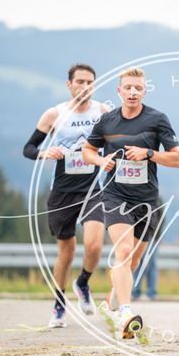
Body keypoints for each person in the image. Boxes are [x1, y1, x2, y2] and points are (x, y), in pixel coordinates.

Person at [82, 66, 179, 339]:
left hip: (147, 200)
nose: (132, 92)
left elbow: (177, 159)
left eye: (138, 88)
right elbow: (87, 150)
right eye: (127, 87)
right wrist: (100, 160)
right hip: (115, 195)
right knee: (124, 251)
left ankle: (112, 301)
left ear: (144, 91)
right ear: (119, 91)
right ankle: (126, 314)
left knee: (134, 261)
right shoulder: (107, 121)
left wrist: (149, 153)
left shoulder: (157, 119)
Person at [23, 64, 109, 328]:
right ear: (69, 85)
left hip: (93, 189)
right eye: (80, 81)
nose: (85, 87)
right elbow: (29, 147)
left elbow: (117, 140)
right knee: (67, 252)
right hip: (62, 192)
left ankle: (82, 283)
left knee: (94, 246)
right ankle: (59, 305)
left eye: (90, 82)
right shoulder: (55, 114)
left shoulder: (102, 112)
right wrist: (44, 153)